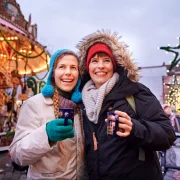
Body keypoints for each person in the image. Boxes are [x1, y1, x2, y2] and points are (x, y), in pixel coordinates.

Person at [76, 30, 176, 180]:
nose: (100, 66)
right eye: (94, 61)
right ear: (87, 67)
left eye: (106, 60)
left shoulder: (134, 91)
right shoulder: (81, 102)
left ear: (114, 65)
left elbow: (167, 134)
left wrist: (135, 128)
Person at [9, 49, 86, 180]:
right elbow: (17, 154)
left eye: (73, 68)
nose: (68, 72)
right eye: (62, 67)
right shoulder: (34, 104)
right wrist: (46, 135)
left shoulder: (81, 106)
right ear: (53, 73)